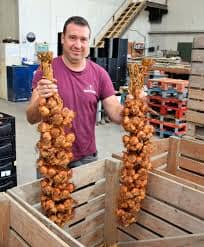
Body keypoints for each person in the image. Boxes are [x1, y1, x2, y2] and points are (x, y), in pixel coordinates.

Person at [26, 16, 123, 169]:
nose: (78, 45)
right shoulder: (45, 71)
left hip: (86, 158)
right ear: (63, 38)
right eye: (72, 38)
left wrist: (132, 106)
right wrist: (41, 99)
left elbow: (116, 114)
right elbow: (31, 118)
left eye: (83, 39)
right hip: (51, 156)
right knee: (50, 193)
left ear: (88, 42)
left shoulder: (100, 74)